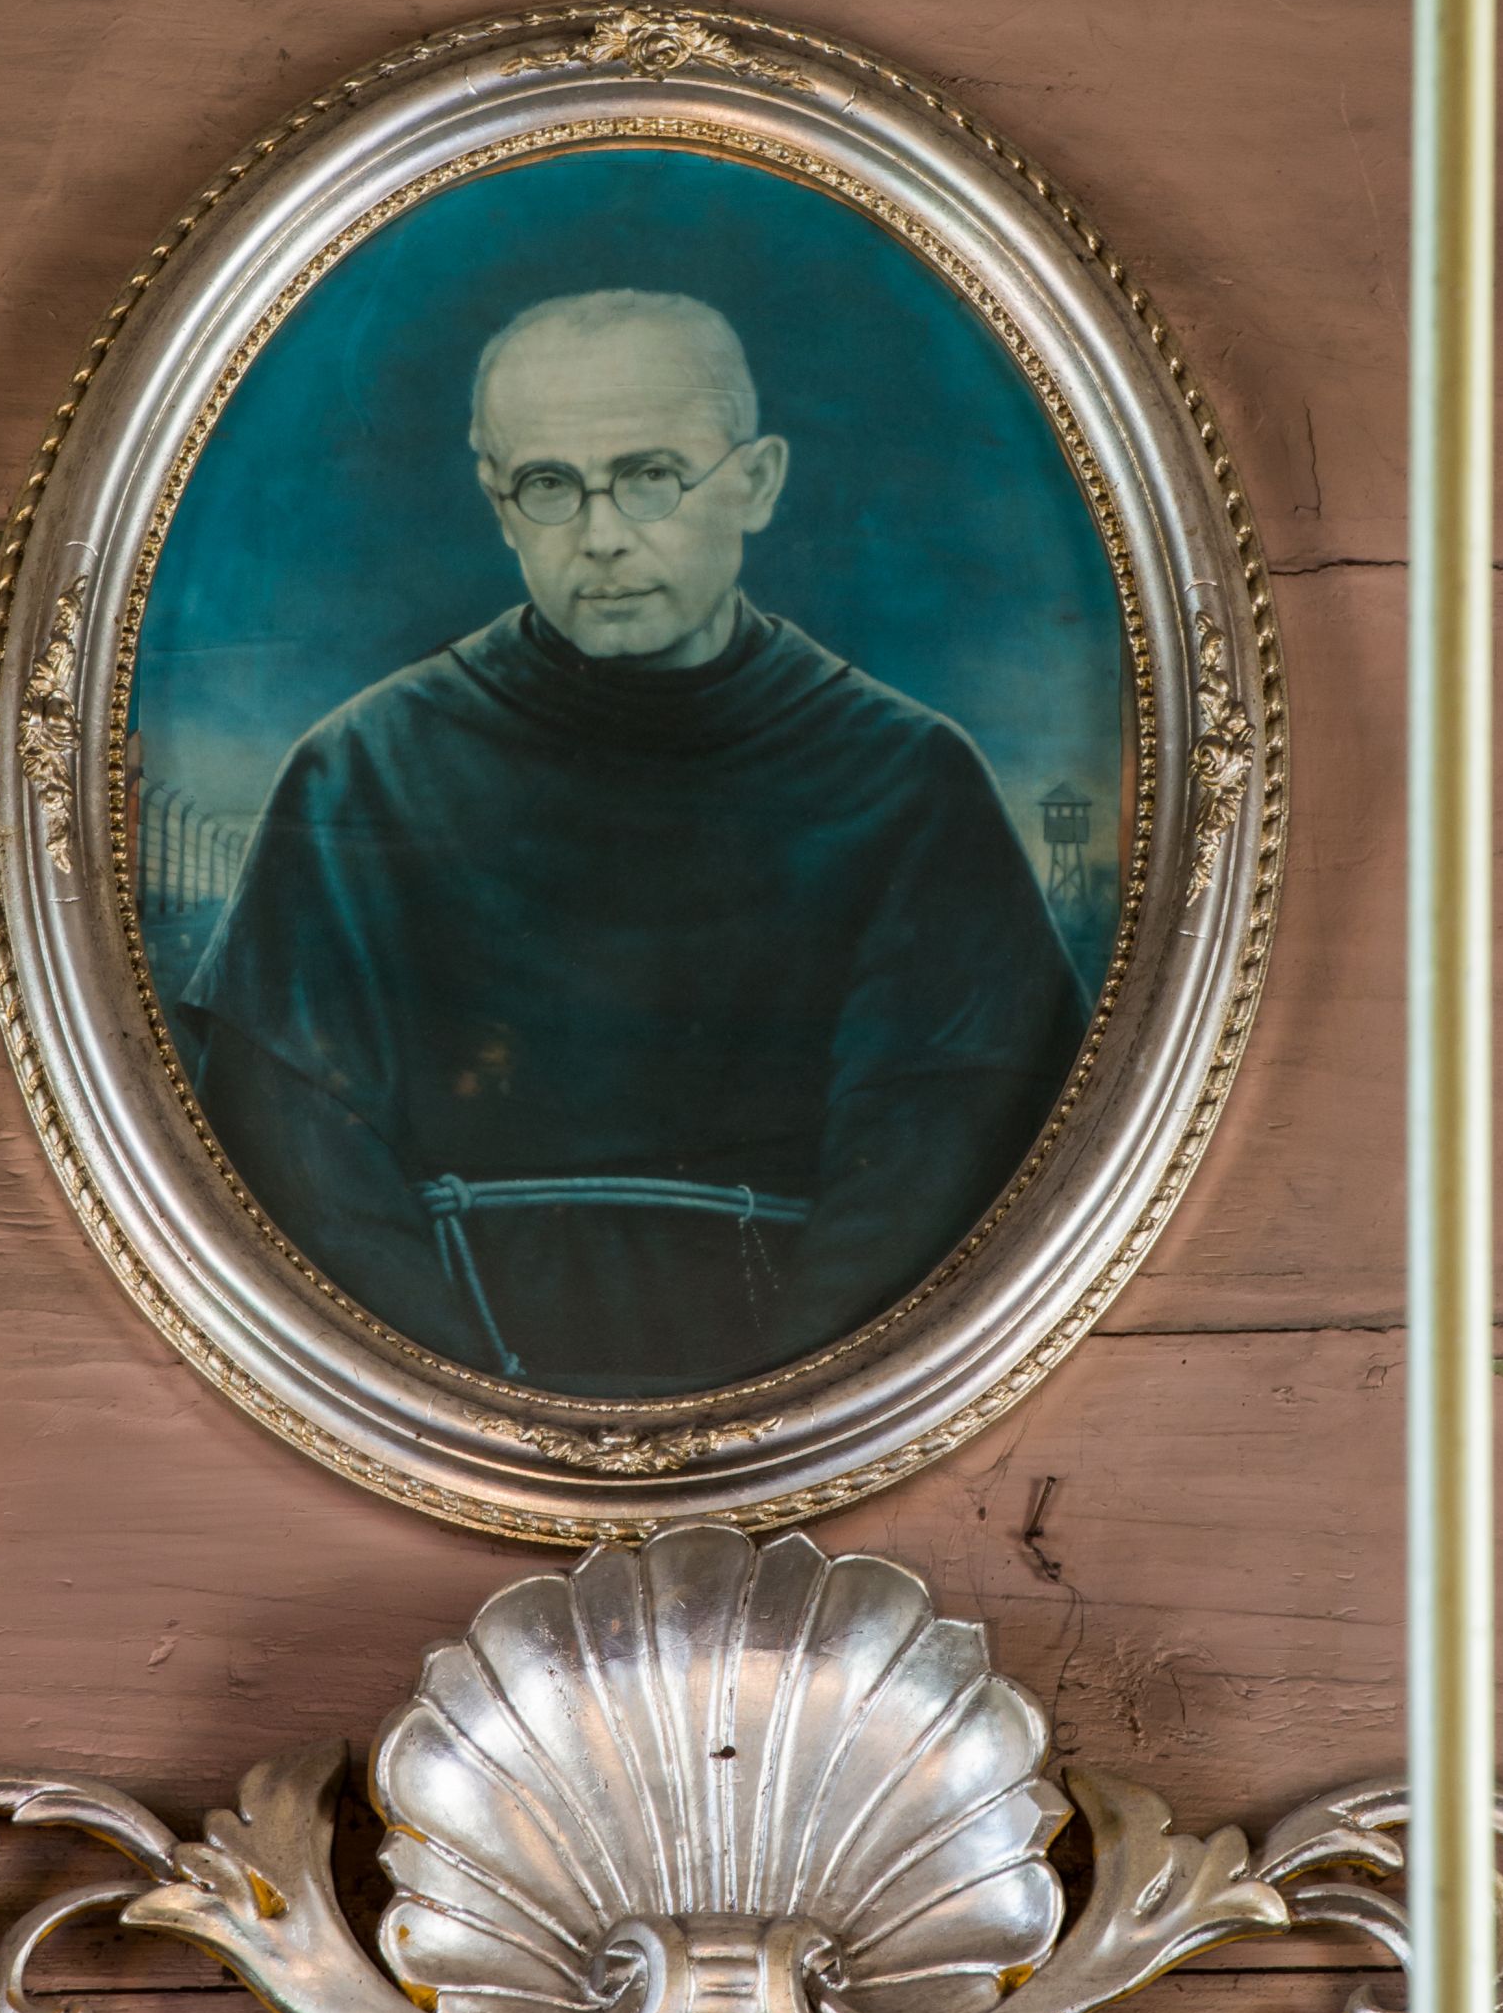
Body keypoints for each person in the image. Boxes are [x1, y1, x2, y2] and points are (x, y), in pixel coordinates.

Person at [175, 285, 1086, 1397]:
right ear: (499, 505)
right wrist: (486, 1406)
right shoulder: (361, 772)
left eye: (652, 476)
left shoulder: (910, 782)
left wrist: (762, 1419)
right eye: (550, 485)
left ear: (756, 483)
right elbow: (300, 1166)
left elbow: (934, 1178)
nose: (602, 537)